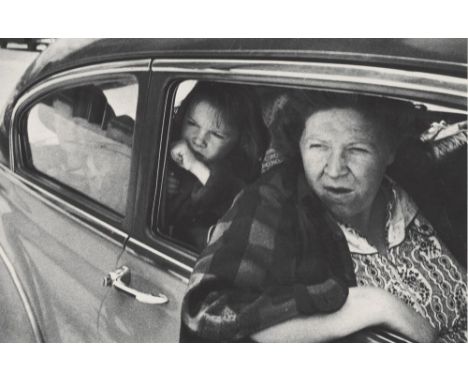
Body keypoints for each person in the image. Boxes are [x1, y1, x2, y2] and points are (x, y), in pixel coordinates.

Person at [180, 91, 466, 342]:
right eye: (318, 146)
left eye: (357, 149)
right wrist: (369, 305)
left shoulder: (416, 182)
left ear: (389, 150)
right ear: (299, 145)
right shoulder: (273, 201)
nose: (334, 169)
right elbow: (210, 307)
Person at [166, 82, 269, 251]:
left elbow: (232, 195)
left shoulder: (236, 172)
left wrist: (193, 165)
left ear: (239, 140)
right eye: (192, 123)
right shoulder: (167, 144)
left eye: (216, 134)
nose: (199, 140)